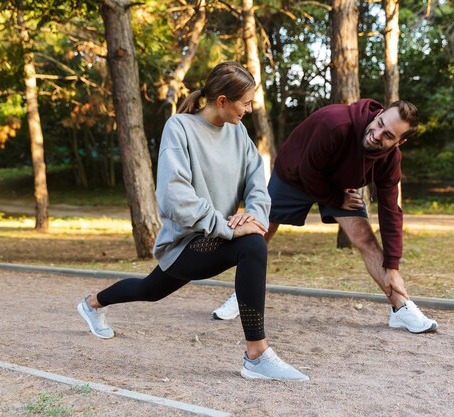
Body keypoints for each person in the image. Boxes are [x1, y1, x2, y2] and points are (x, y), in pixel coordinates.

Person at [77, 61, 309, 381]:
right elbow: (174, 195)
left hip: (215, 235)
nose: (250, 109)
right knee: (245, 248)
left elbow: (257, 181)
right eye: (246, 102)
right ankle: (256, 354)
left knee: (153, 287)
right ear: (223, 101)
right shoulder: (179, 128)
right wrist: (225, 225)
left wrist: (250, 215)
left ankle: (92, 303)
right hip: (184, 242)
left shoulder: (238, 132)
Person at [212, 98, 438, 334]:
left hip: (339, 184)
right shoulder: (335, 124)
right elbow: (308, 171)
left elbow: (391, 211)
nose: (377, 134)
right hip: (295, 175)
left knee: (365, 239)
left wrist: (392, 266)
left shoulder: (390, 160)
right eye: (379, 123)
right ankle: (241, 296)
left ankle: (400, 309)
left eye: (388, 135)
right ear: (378, 113)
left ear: (399, 142)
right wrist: (338, 199)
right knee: (260, 233)